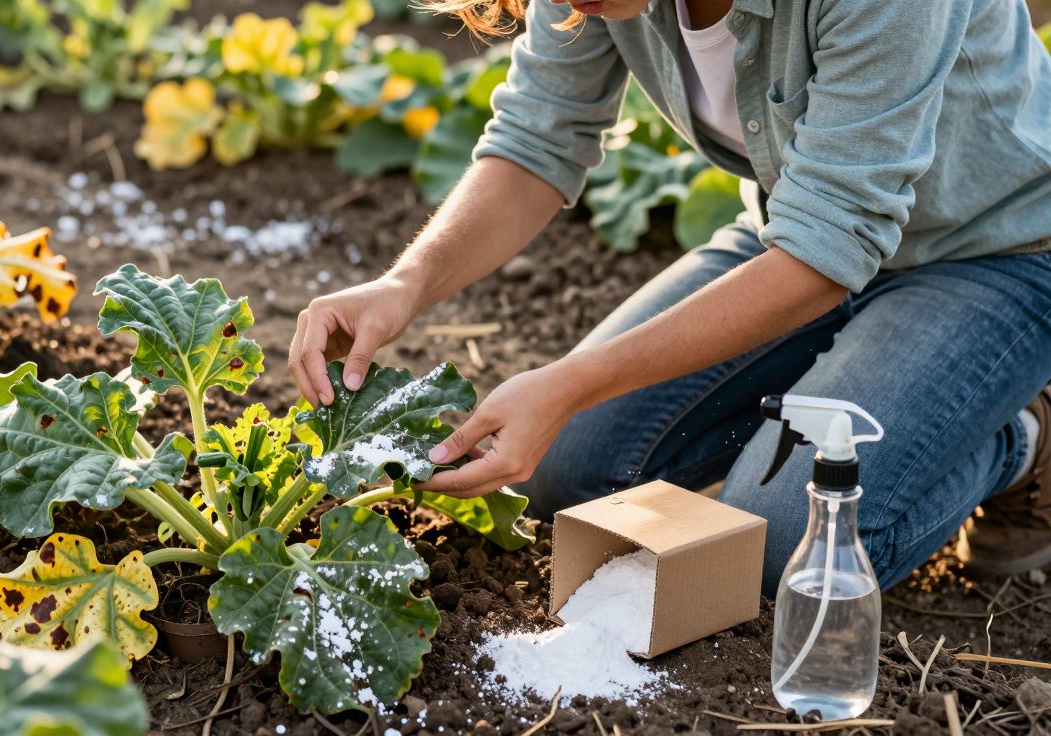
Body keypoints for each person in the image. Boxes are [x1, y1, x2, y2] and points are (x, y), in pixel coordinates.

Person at [288, 0, 1051, 595]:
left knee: (785, 546)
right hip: (793, 242)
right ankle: (866, 388)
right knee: (564, 478)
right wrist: (403, 284)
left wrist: (570, 383)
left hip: (996, 256)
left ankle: (1022, 434)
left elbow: (829, 247)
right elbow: (536, 139)